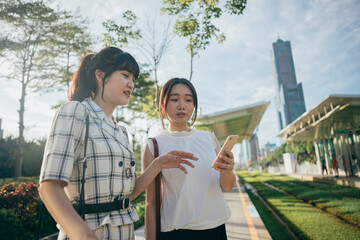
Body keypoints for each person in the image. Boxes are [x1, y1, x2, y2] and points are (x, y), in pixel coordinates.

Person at [38, 47, 198, 240]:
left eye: (133, 79)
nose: (131, 84)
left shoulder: (121, 132)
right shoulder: (76, 111)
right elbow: (49, 187)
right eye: (125, 75)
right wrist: (85, 237)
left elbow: (127, 196)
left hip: (124, 233)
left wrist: (158, 165)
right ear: (100, 75)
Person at [143, 78, 236, 240]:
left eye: (188, 100)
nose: (182, 105)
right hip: (176, 233)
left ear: (194, 105)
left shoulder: (209, 139)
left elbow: (227, 186)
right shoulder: (154, 145)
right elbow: (151, 202)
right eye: (174, 99)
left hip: (215, 229)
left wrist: (228, 171)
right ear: (163, 105)